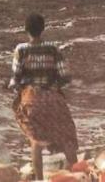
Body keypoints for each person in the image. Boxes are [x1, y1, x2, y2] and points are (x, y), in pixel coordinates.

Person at [9, 13, 78, 181]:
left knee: (36, 140)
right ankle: (76, 174)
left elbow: (16, 77)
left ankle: (39, 179)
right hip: (53, 99)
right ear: (43, 29)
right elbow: (65, 76)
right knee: (67, 136)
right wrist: (54, 86)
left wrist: (14, 88)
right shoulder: (53, 48)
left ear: (26, 29)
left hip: (32, 99)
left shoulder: (21, 49)